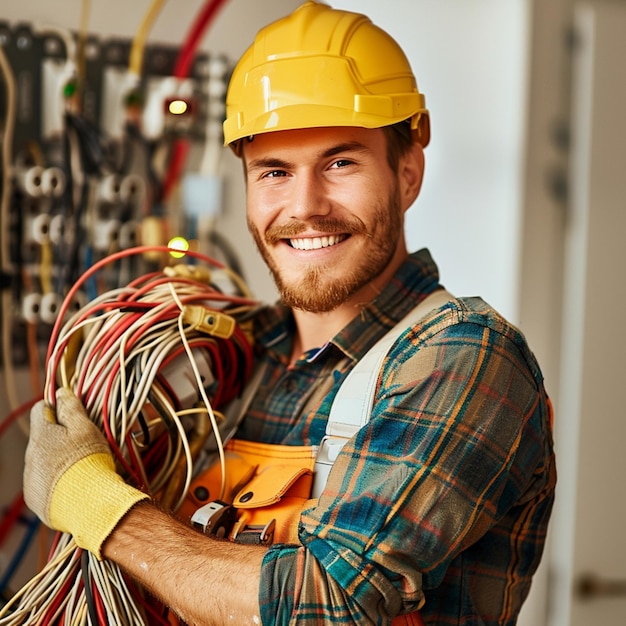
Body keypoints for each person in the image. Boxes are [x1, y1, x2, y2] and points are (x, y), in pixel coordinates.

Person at [23, 2, 556, 625]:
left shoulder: (462, 358)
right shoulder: (232, 360)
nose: (306, 207)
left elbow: (330, 607)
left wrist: (97, 507)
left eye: (340, 163)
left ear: (407, 171)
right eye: (274, 171)